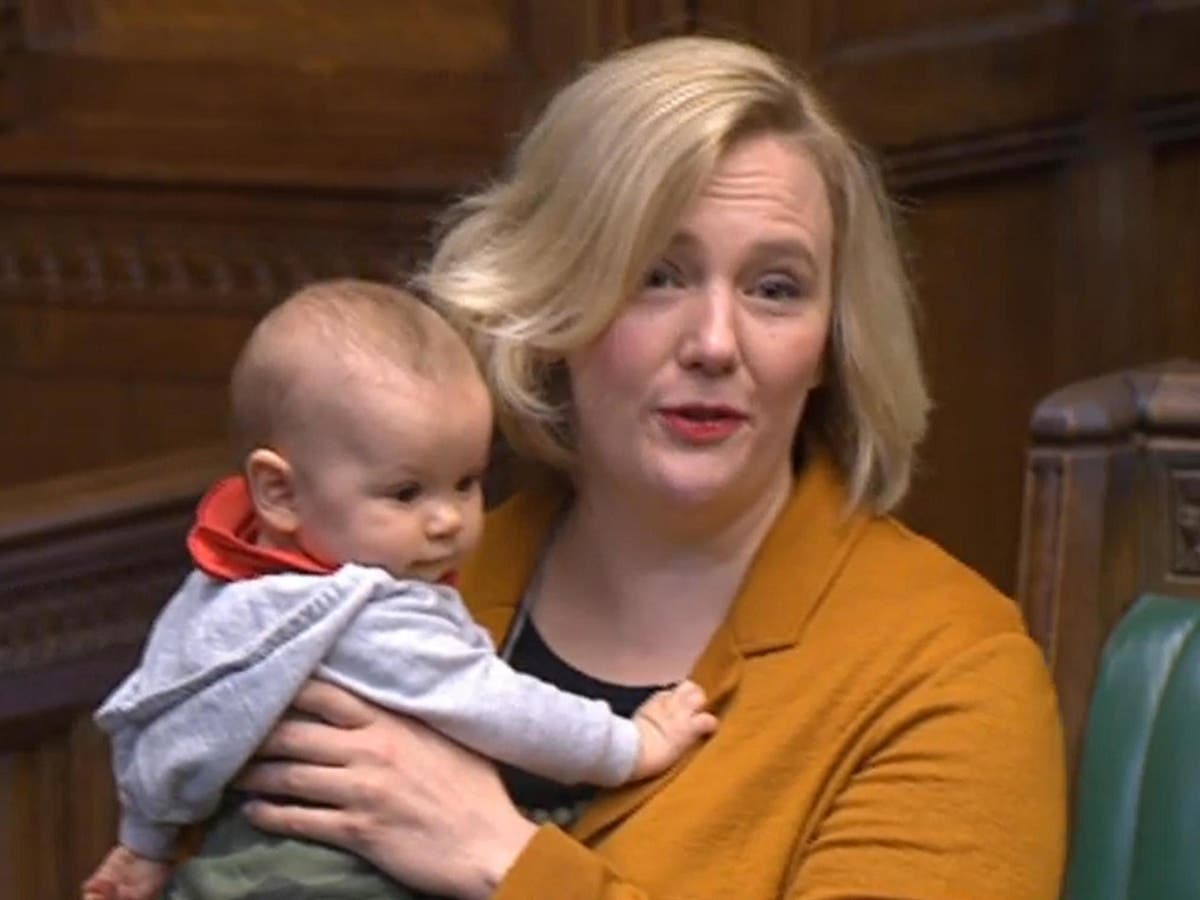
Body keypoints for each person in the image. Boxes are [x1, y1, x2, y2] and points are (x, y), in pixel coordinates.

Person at [221, 36, 1066, 900]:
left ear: (827, 347)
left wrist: (502, 860)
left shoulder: (948, 669)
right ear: (554, 304)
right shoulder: (388, 579)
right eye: (657, 275)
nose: (713, 343)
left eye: (774, 288)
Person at [80, 280, 717, 900]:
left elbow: (166, 724)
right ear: (279, 492)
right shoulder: (367, 614)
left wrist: (145, 846)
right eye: (406, 492)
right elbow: (499, 708)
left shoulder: (223, 593)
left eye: (467, 482)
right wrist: (631, 745)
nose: (447, 521)